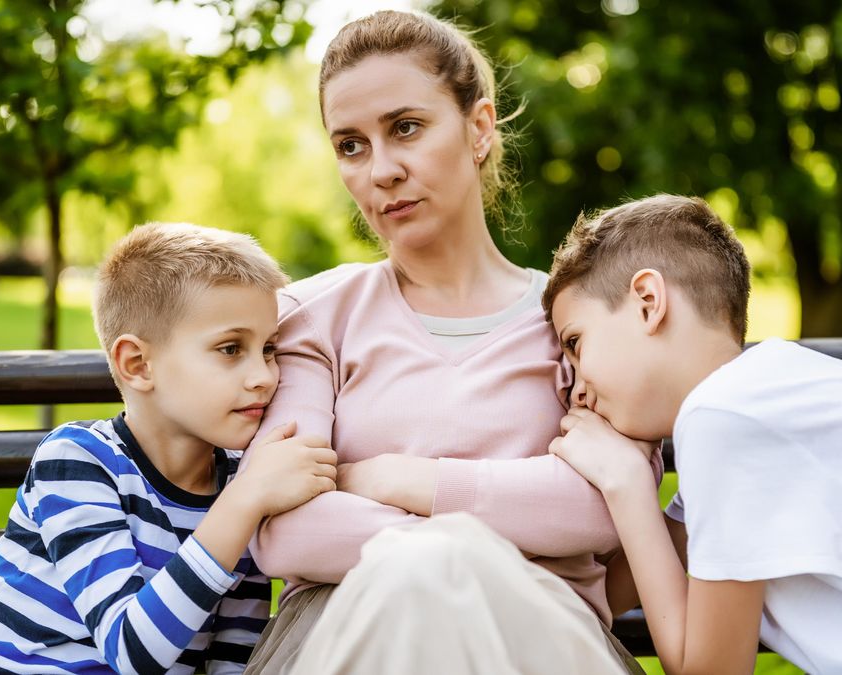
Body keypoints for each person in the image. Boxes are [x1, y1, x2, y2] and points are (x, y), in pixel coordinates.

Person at [241, 10, 645, 675]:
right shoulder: (315, 316)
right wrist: (463, 543)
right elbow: (286, 529)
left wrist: (403, 479)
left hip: (538, 638)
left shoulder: (573, 320)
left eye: (405, 128)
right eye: (351, 144)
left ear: (478, 128)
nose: (382, 170)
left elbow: (601, 508)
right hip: (343, 635)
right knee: (421, 573)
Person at [544, 194, 842, 674]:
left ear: (648, 302)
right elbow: (605, 593)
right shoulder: (756, 400)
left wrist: (627, 485)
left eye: (576, 345)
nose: (576, 389)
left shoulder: (729, 416)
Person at [0, 223, 338, 675]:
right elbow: (131, 651)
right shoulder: (78, 461)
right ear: (138, 365)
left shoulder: (244, 486)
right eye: (231, 348)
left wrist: (247, 498)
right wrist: (244, 503)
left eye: (270, 348)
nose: (264, 376)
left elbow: (231, 660)